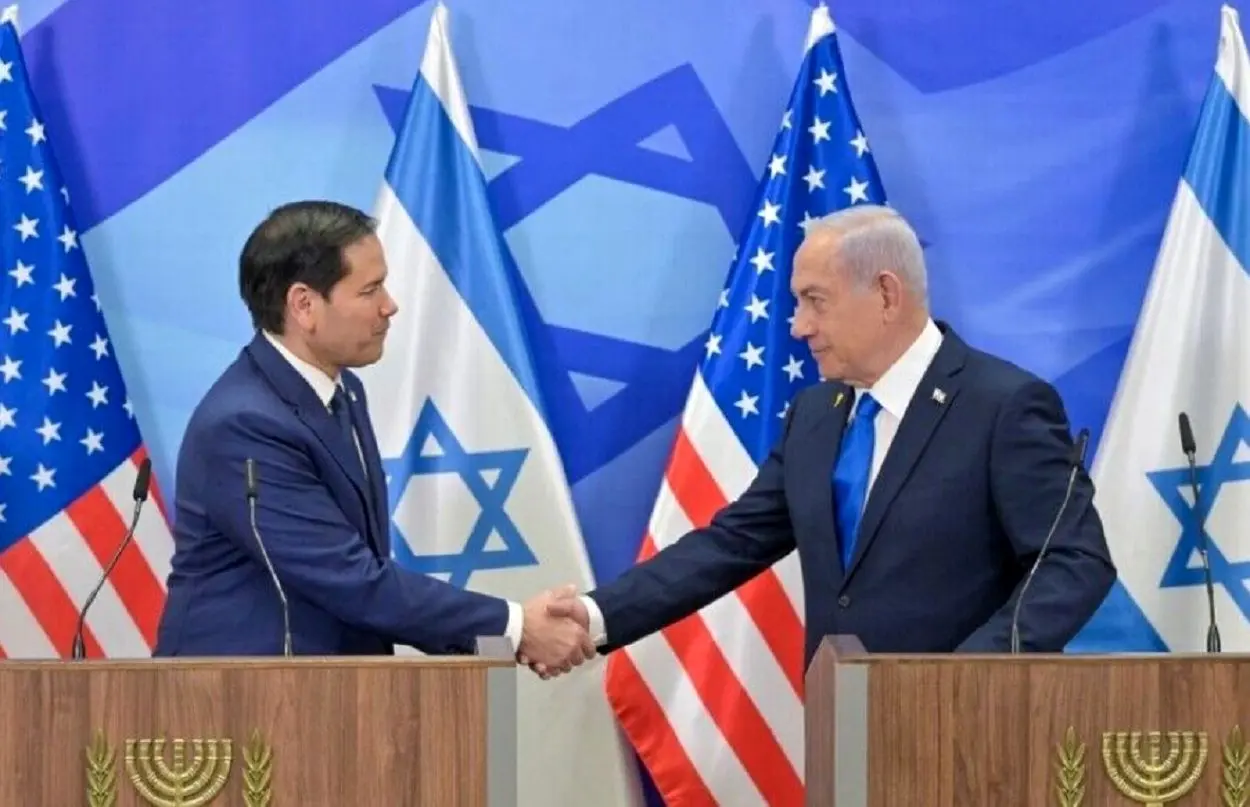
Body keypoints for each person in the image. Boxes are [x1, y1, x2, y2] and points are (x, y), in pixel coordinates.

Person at [528, 204, 1117, 676]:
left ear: (886, 294)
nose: (798, 326)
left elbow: (1074, 561)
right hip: (842, 728)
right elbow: (730, 544)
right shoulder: (815, 415)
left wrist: (964, 678)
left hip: (965, 735)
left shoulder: (1002, 405)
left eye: (815, 300)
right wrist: (594, 615)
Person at [153, 200, 593, 667]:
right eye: (370, 290)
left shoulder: (344, 391)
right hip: (234, 693)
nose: (390, 305)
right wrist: (515, 628)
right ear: (304, 305)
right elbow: (348, 578)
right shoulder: (246, 424)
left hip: (338, 685)